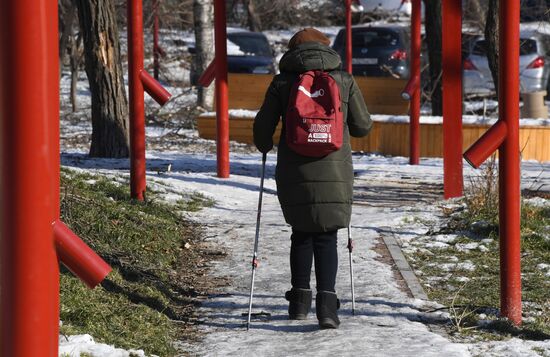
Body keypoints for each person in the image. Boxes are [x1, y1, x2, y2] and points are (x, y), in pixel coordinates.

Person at [253, 28, 372, 329]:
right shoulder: (343, 80)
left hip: (294, 171)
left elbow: (261, 131)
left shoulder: (282, 82)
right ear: (326, 49)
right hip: (334, 170)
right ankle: (328, 306)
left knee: (301, 232)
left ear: (293, 51)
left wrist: (266, 144)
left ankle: (299, 303)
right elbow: (362, 127)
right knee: (327, 235)